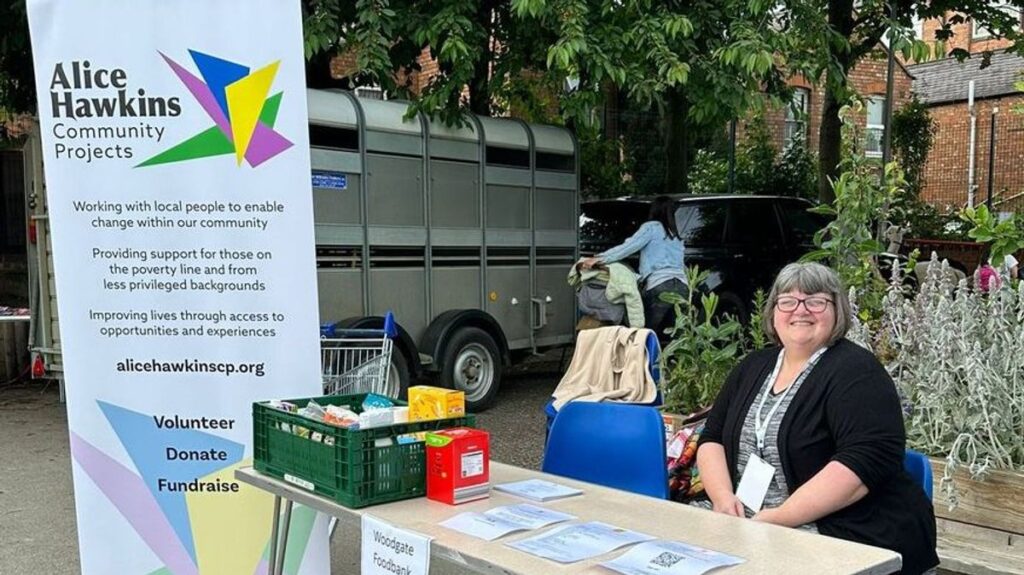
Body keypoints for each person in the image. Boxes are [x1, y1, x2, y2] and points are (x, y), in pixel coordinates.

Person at [694, 262, 938, 575]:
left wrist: (777, 519)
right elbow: (712, 437)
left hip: (842, 527)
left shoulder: (857, 372)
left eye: (816, 301)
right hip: (747, 518)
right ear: (773, 311)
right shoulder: (753, 365)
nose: (801, 310)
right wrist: (724, 500)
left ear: (837, 310)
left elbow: (863, 462)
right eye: (788, 301)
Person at [579, 196, 687, 340]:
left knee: (643, 335)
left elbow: (628, 247)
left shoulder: (651, 227)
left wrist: (599, 258)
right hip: (682, 286)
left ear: (654, 210)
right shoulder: (676, 236)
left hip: (659, 284)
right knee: (673, 335)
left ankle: (640, 362)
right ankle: (671, 362)